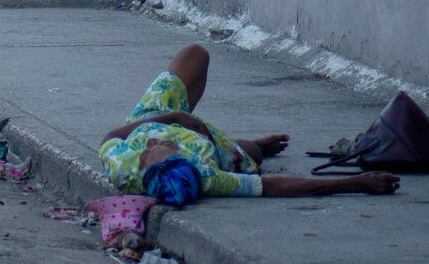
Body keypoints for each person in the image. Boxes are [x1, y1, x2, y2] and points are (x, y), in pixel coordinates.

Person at [100, 44, 400, 203]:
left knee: (195, 54)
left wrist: (171, 118)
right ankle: (255, 145)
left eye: (157, 146)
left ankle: (239, 140)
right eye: (168, 145)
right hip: (214, 143)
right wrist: (357, 183)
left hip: (151, 115)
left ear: (143, 157)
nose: (159, 141)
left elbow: (111, 135)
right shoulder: (208, 176)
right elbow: (273, 186)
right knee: (252, 156)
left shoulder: (123, 168)